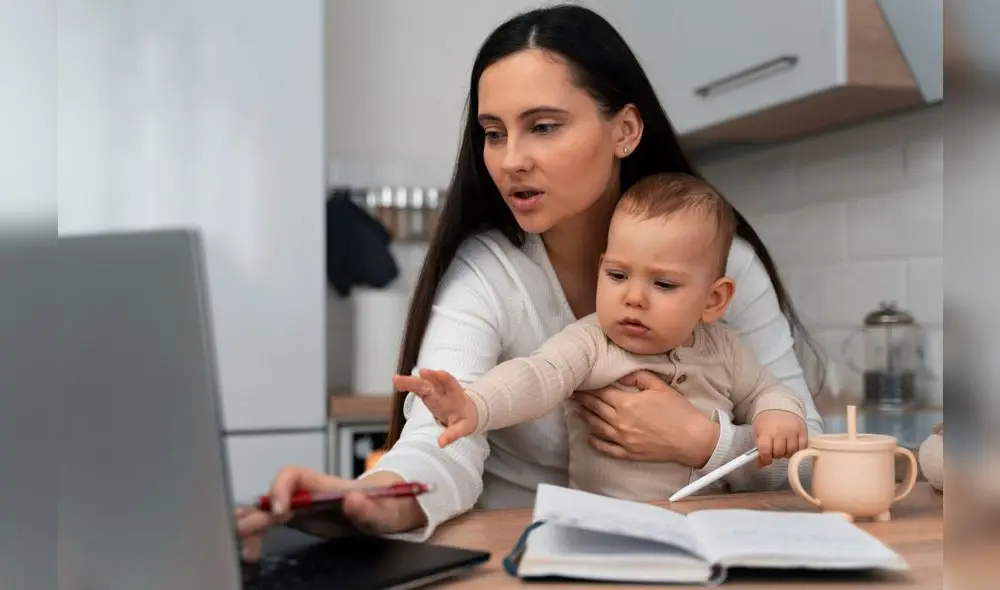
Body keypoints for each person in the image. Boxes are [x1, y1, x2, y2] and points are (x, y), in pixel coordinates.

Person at [236, 4, 825, 560]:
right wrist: (370, 499)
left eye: (543, 126)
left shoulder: (726, 267)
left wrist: (705, 443)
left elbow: (812, 457)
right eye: (494, 132)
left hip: (693, 554)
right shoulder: (487, 272)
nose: (510, 159)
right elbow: (442, 438)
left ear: (625, 131)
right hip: (527, 560)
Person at [392, 173, 808, 501]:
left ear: (713, 300)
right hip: (606, 524)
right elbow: (538, 376)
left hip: (707, 527)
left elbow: (768, 391)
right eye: (617, 276)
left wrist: (778, 415)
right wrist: (475, 404)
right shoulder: (593, 341)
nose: (633, 298)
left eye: (663, 285)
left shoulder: (726, 348)